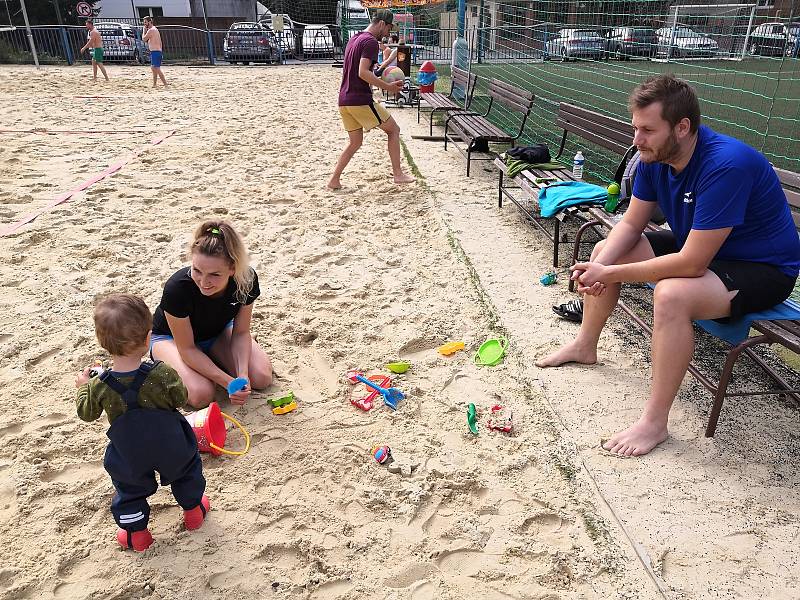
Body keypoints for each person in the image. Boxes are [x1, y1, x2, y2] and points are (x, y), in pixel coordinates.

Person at [536, 74, 800, 457]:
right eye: (634, 128)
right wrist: (599, 265)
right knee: (606, 250)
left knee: (672, 294)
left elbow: (692, 264)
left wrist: (609, 274)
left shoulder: (726, 165)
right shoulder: (653, 157)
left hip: (763, 267)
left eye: (647, 129)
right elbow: (630, 224)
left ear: (682, 127)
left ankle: (654, 422)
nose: (636, 140)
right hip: (704, 245)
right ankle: (584, 345)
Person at [75, 294, 210, 552]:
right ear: (148, 338)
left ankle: (136, 535)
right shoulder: (161, 373)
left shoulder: (99, 386)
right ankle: (194, 510)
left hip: (130, 451)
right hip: (170, 442)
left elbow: (86, 413)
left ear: (103, 343)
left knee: (129, 489)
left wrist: (83, 388)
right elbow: (180, 398)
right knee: (186, 469)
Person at [151, 220, 273, 408]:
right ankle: (174, 364)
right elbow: (188, 349)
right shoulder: (177, 288)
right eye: (197, 270)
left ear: (232, 269)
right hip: (171, 339)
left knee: (261, 378)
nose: (203, 282)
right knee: (202, 395)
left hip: (217, 331)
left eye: (215, 275)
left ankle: (215, 356)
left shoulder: (246, 280)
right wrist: (227, 381)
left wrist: (242, 375)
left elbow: (241, 332)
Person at [327, 9, 415, 191]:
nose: (390, 33)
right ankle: (398, 174)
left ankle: (334, 180)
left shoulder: (355, 39)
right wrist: (389, 87)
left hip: (344, 100)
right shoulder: (370, 42)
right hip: (359, 99)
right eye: (390, 28)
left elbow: (364, 71)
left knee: (355, 142)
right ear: (382, 23)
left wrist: (386, 62)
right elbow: (363, 72)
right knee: (394, 130)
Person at [142, 16, 167, 88]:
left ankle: (165, 84)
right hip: (155, 52)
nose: (144, 24)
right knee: (153, 68)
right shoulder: (155, 29)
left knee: (157, 68)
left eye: (145, 22)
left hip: (156, 52)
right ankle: (155, 84)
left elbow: (144, 39)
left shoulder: (151, 30)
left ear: (149, 22)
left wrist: (144, 30)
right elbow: (160, 42)